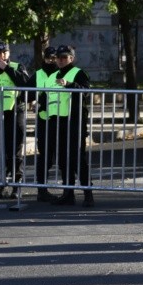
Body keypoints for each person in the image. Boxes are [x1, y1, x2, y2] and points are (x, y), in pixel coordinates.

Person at [44, 45, 93, 207]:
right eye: (58, 57)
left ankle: (88, 194)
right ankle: (68, 193)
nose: (60, 60)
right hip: (56, 122)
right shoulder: (52, 76)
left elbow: (86, 91)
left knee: (78, 159)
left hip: (74, 122)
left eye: (64, 57)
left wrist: (70, 84)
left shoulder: (78, 73)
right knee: (63, 160)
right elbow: (46, 98)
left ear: (71, 58)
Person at [0, 41, 31, 199]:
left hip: (15, 112)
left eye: (5, 52)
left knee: (15, 150)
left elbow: (26, 84)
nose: (2, 55)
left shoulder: (18, 67)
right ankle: (2, 184)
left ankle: (17, 185)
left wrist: (8, 69)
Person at [32, 46, 60, 202]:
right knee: (45, 157)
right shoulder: (38, 74)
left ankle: (68, 191)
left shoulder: (63, 74)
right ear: (44, 58)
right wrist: (34, 101)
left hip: (62, 119)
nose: (52, 61)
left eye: (55, 58)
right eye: (49, 58)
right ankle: (42, 190)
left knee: (64, 156)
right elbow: (26, 93)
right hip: (44, 120)